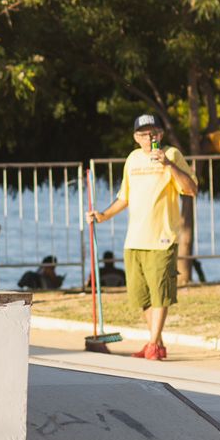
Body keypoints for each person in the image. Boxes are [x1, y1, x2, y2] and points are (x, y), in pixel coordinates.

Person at [87, 113, 199, 360]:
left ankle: (152, 344)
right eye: (144, 134)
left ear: (161, 134)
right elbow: (124, 197)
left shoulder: (172, 155)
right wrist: (103, 215)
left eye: (153, 133)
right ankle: (156, 343)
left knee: (161, 295)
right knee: (143, 297)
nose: (149, 138)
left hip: (162, 238)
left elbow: (191, 189)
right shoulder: (132, 159)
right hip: (134, 239)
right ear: (136, 137)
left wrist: (168, 166)